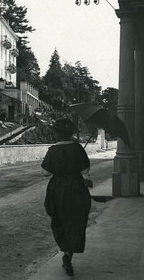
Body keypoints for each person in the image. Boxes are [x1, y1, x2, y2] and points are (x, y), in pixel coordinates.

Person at [41, 118, 91, 277]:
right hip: (77, 188)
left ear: (57, 134)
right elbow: (85, 171)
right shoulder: (78, 149)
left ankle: (65, 250)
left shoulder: (53, 150)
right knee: (76, 220)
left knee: (60, 220)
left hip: (58, 190)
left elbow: (46, 173)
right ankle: (69, 254)